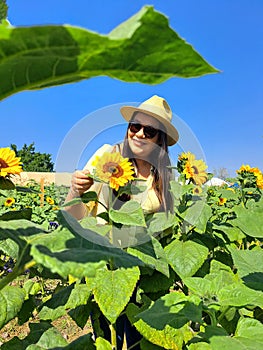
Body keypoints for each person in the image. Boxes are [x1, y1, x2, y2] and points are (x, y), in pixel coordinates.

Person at [64, 94, 179, 349]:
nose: (138, 134)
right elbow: (74, 216)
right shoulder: (108, 156)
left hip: (143, 267)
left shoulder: (165, 176)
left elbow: (166, 228)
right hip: (104, 264)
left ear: (160, 139)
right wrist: (76, 191)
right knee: (107, 338)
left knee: (140, 339)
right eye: (134, 126)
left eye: (149, 130)